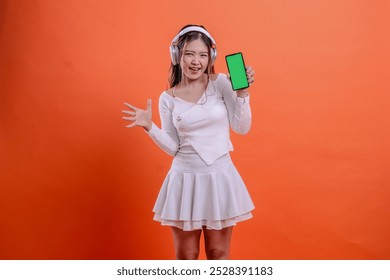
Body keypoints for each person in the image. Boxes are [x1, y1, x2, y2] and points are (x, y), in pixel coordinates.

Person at [122, 24, 255, 260]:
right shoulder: (168, 98)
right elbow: (173, 147)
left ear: (210, 57)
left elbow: (241, 128)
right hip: (184, 180)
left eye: (203, 55)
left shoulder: (222, 83)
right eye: (190, 54)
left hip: (219, 177)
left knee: (218, 253)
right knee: (187, 257)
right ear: (177, 55)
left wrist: (242, 94)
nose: (196, 61)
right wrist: (149, 127)